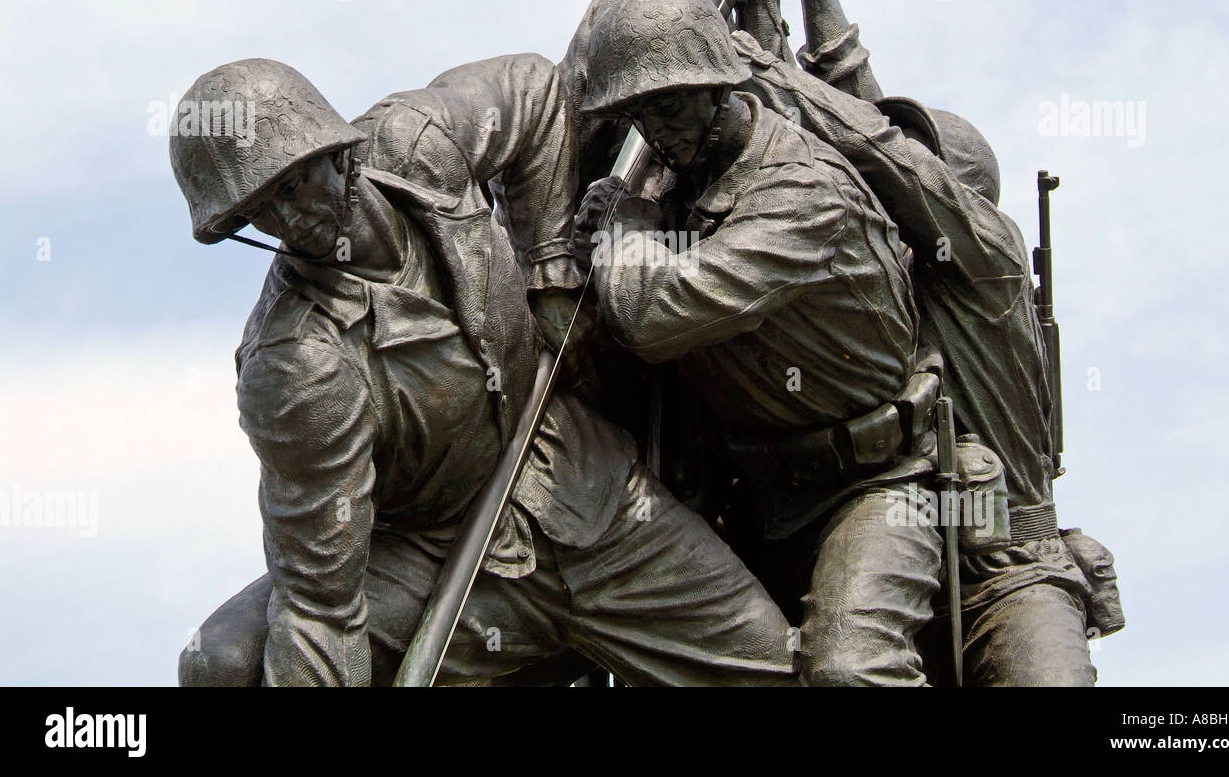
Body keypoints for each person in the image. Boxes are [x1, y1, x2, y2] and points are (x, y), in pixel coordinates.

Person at [169, 57, 799, 686]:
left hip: (593, 495)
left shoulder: (416, 141)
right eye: (259, 210)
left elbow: (534, 93)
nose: (286, 220)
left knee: (774, 670)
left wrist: (549, 271)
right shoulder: (296, 367)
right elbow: (320, 606)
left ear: (332, 153)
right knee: (225, 663)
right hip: (448, 566)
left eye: (289, 186)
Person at [711, 0, 1125, 684]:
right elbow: (843, 141)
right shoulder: (888, 282)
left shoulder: (990, 256)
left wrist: (756, 56)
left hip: (1007, 566)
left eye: (917, 163)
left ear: (952, 190)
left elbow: (871, 146)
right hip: (902, 530)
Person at [574, 0, 951, 686]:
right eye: (639, 112)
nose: (656, 131)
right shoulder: (686, 179)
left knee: (849, 671)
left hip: (872, 485)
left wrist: (625, 228)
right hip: (751, 492)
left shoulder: (800, 191)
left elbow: (650, 316)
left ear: (720, 88)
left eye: (670, 104)